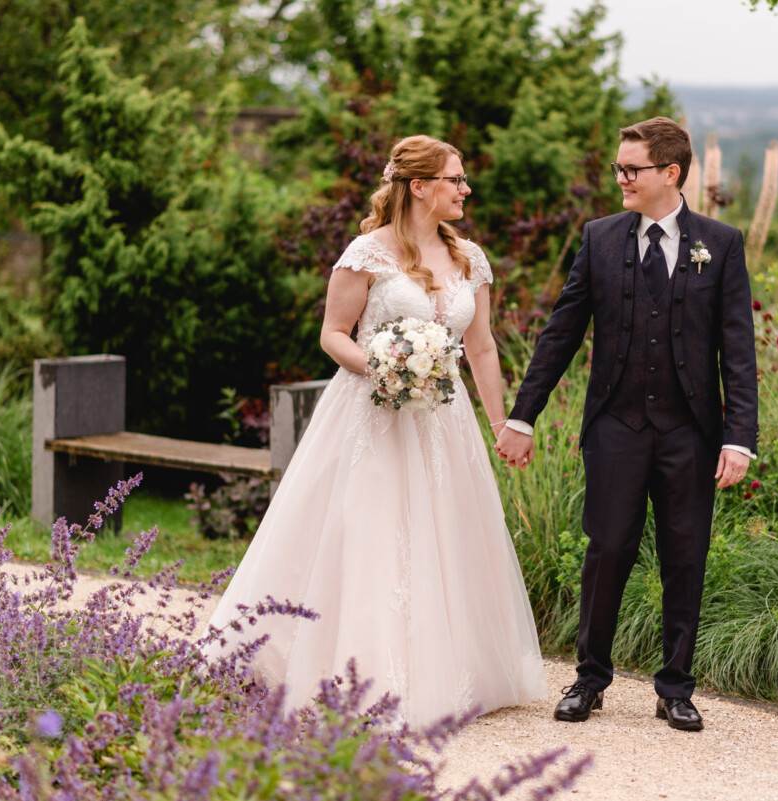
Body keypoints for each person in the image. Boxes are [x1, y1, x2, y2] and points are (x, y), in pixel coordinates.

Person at [204, 135, 546, 727]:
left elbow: (482, 345)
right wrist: (383, 370)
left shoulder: (470, 258)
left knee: (447, 536)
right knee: (372, 534)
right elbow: (334, 334)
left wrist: (500, 422)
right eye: (455, 180)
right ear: (419, 187)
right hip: (373, 413)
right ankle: (357, 674)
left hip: (446, 420)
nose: (466, 190)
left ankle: (450, 672)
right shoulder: (366, 252)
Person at [495, 117, 758, 732]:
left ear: (670, 173)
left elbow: (738, 351)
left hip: (691, 430)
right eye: (618, 167)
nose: (619, 178)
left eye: (630, 169)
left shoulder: (719, 244)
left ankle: (675, 688)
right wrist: (523, 415)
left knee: (684, 555)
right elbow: (561, 331)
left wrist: (738, 437)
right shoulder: (601, 237)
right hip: (616, 422)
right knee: (607, 549)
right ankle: (589, 679)